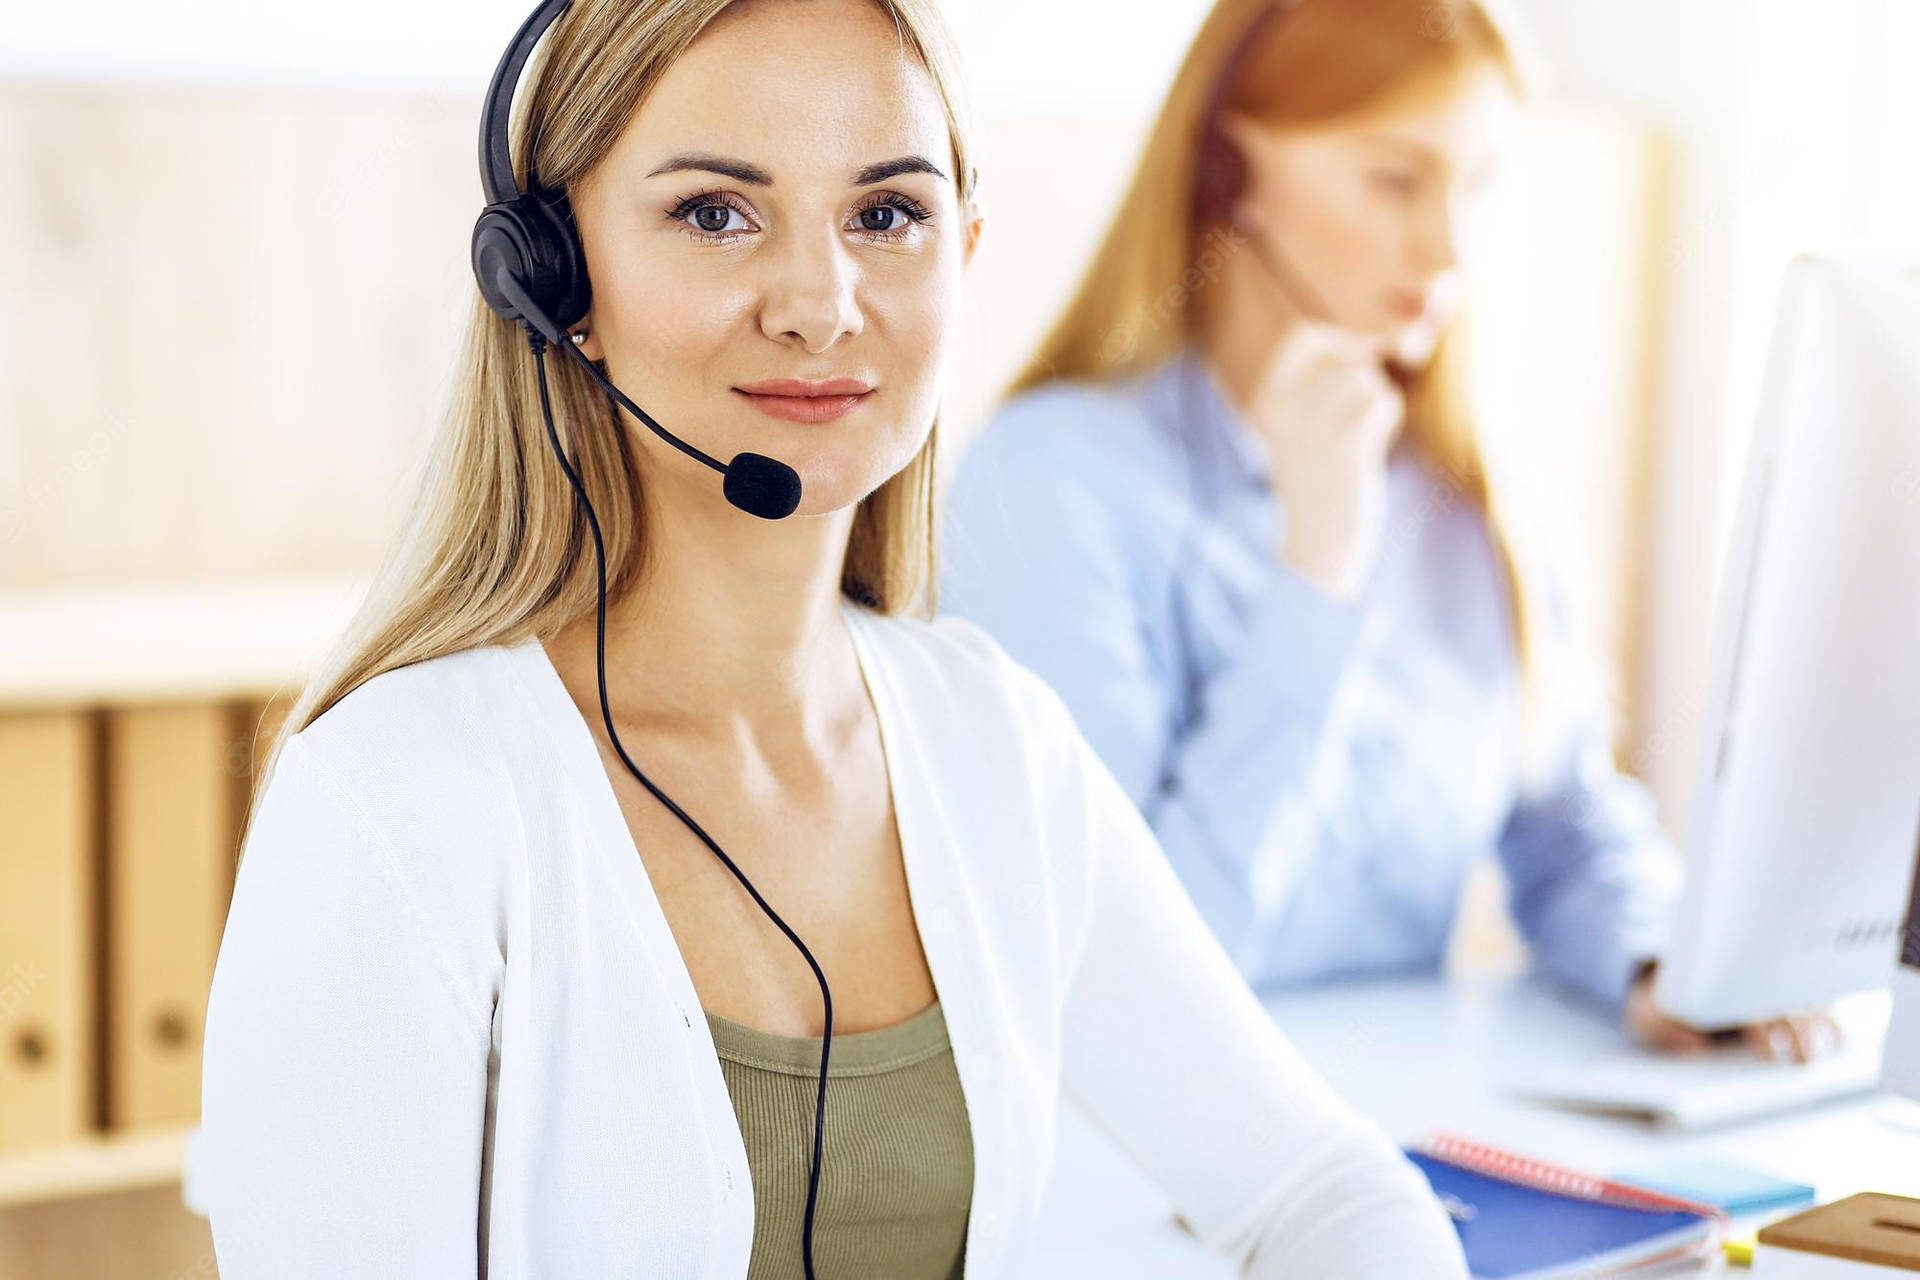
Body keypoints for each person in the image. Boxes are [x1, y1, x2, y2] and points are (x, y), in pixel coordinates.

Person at [195, 0, 1473, 1277]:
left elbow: (1323, 1186)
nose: (822, 303)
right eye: (714, 212)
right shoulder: (395, 796)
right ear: (554, 278)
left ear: (963, 253)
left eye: (886, 214)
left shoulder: (993, 744)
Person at [938, 0, 1836, 1062]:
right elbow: (1131, 968)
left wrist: (1665, 964)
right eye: (1396, 180)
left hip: (1418, 1125)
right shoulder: (1048, 483)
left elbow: (1566, 829)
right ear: (1231, 170)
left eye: (1477, 185)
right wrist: (1316, 580)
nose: (1450, 246)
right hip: (1155, 1154)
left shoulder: (1474, 499)